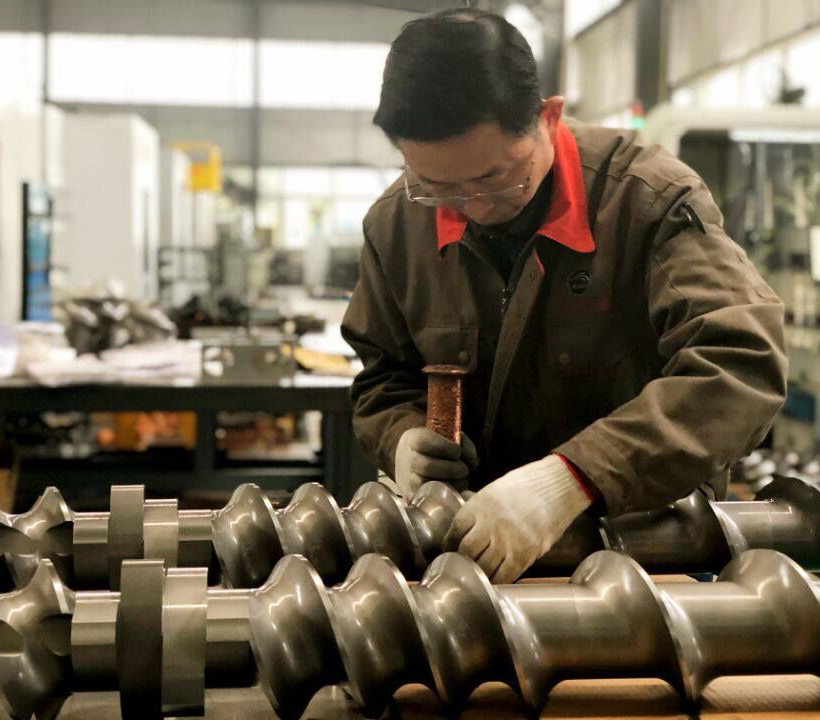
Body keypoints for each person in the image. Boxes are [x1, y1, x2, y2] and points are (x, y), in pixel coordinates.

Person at [340, 8, 787, 583]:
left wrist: (573, 479)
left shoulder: (646, 202)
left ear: (548, 118)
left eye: (495, 177)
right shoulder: (396, 225)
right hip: (468, 557)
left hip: (646, 558)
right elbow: (383, 376)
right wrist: (401, 437)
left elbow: (741, 366)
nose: (474, 206)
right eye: (438, 187)